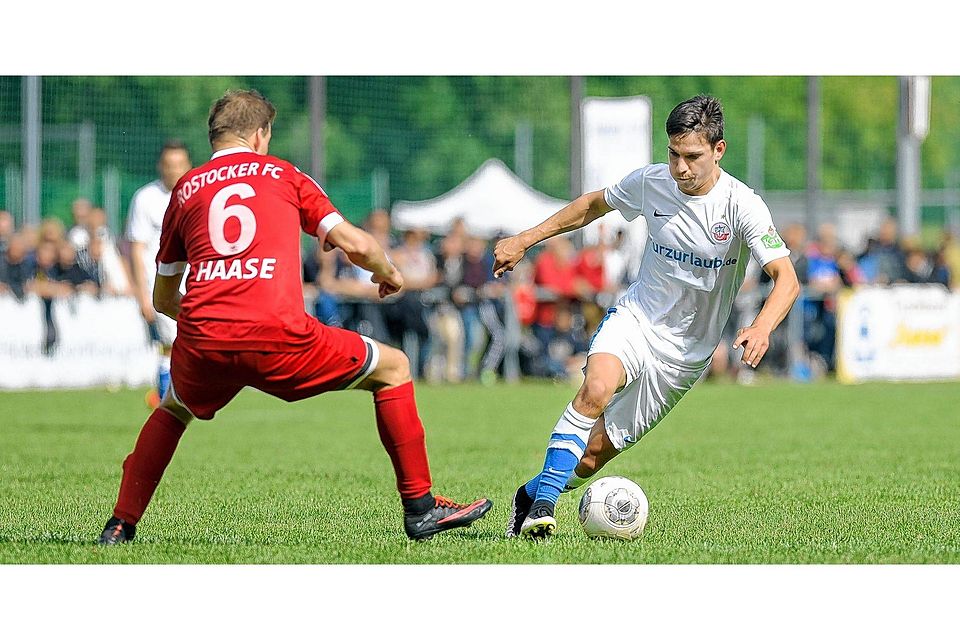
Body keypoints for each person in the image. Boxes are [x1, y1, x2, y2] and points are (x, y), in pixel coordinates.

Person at [97, 89, 491, 545]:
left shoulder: (185, 189)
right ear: (260, 134)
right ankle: (421, 509)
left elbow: (164, 296)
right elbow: (357, 244)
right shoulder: (283, 174)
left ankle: (121, 523)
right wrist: (389, 273)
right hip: (280, 334)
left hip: (205, 339)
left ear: (214, 137)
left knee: (173, 409)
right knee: (395, 368)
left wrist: (215, 325)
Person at [493, 95, 800, 539]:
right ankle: (544, 508)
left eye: (692, 157)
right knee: (596, 388)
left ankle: (532, 493)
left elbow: (785, 278)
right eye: (673, 154)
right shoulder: (651, 183)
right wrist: (526, 238)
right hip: (637, 318)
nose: (680, 168)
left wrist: (762, 325)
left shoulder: (742, 206)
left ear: (719, 150)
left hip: (684, 357)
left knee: (588, 460)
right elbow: (592, 205)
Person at [126, 140, 193, 408]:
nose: (173, 170)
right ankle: (170, 402)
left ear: (188, 166)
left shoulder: (196, 194)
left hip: (194, 280)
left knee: (184, 343)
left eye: (179, 165)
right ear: (160, 166)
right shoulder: (146, 198)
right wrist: (143, 294)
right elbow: (137, 249)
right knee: (171, 343)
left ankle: (175, 398)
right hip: (161, 284)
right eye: (168, 165)